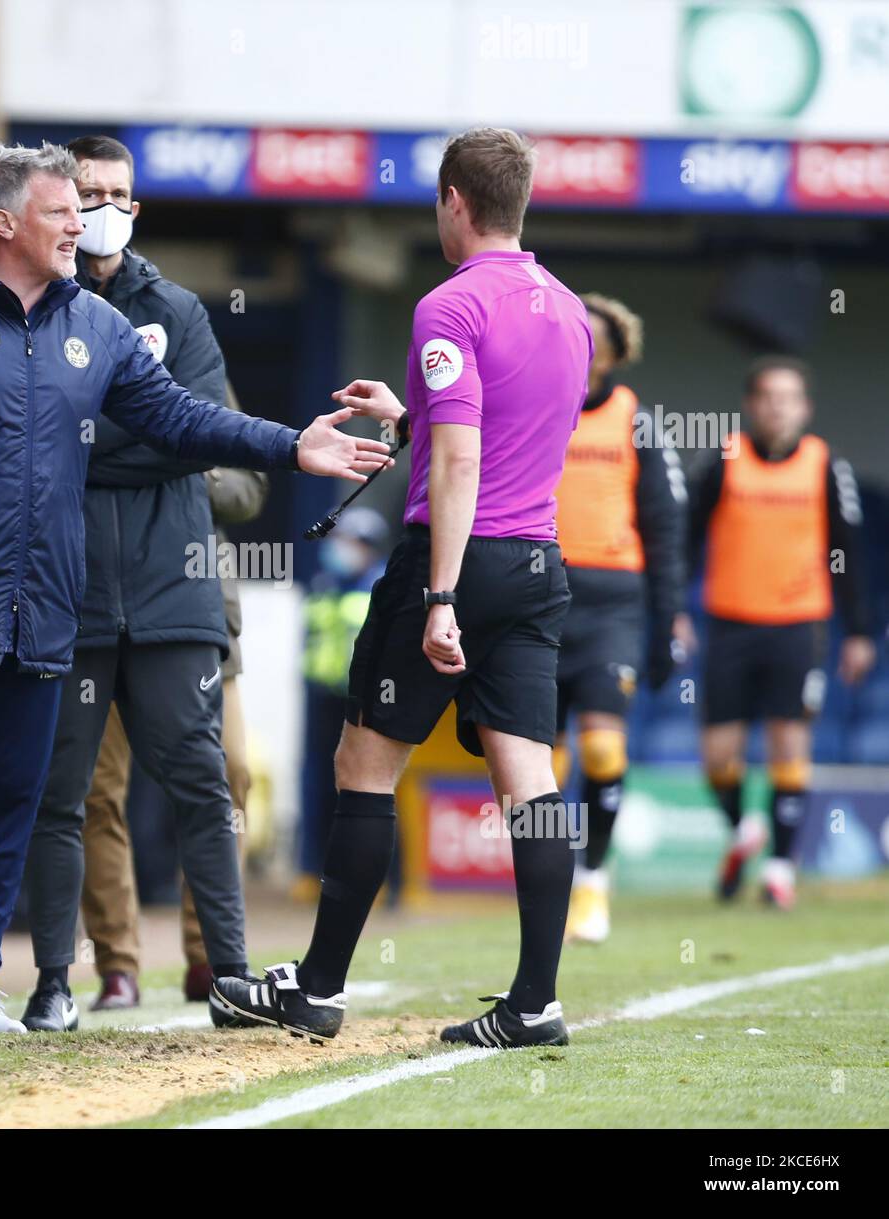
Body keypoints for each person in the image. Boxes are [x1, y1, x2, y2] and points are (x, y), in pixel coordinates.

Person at [0, 142, 392, 1037]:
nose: (80, 225)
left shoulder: (101, 327)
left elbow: (178, 416)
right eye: (61, 212)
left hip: (46, 603)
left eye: (84, 212)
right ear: (6, 223)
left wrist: (289, 444)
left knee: (11, 792)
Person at [213, 127, 593, 1050]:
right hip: (538, 562)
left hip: (453, 562)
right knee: (531, 784)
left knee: (364, 767)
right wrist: (412, 411)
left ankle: (319, 988)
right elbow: (501, 433)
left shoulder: (450, 307)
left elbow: (464, 459)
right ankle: (535, 1001)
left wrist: (441, 595)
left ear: (455, 201)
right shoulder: (570, 309)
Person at [18, 135, 270, 1030]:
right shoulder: (26, 306)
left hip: (175, 596)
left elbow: (200, 436)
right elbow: (32, 441)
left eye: (118, 192)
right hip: (70, 597)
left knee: (208, 783)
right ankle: (64, 980)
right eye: (88, 192)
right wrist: (150, 434)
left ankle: (229, 973)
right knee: (68, 794)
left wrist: (107, 438)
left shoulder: (180, 312)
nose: (103, 206)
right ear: (56, 200)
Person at [78, 383, 270, 1013]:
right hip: (95, 604)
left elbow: (248, 488)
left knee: (228, 772)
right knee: (96, 791)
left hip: (195, 606)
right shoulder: (68, 345)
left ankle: (211, 957)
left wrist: (175, 463)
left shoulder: (185, 346)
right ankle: (117, 965)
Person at [685, 356, 876, 909]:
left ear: (805, 408)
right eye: (769, 396)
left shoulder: (824, 465)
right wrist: (675, 606)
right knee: (718, 756)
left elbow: (849, 550)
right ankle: (745, 829)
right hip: (728, 624)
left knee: (789, 743)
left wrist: (860, 631)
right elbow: (687, 536)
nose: (778, 406)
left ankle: (778, 870)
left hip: (799, 624)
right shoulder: (725, 459)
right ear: (752, 404)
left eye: (789, 397)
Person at [552, 293, 687, 943]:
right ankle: (544, 880)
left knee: (603, 747)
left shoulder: (637, 423)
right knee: (538, 766)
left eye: (597, 337)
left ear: (613, 352)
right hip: (539, 592)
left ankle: (593, 883)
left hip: (613, 605)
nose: (586, 345)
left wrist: (668, 618)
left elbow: (664, 528)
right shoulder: (534, 404)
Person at [297, 507, 390, 893]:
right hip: (321, 696)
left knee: (369, 786)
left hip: (367, 699)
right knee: (316, 781)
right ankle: (310, 870)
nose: (344, 549)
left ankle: (381, 879)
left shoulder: (382, 585)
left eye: (354, 543)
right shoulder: (324, 584)